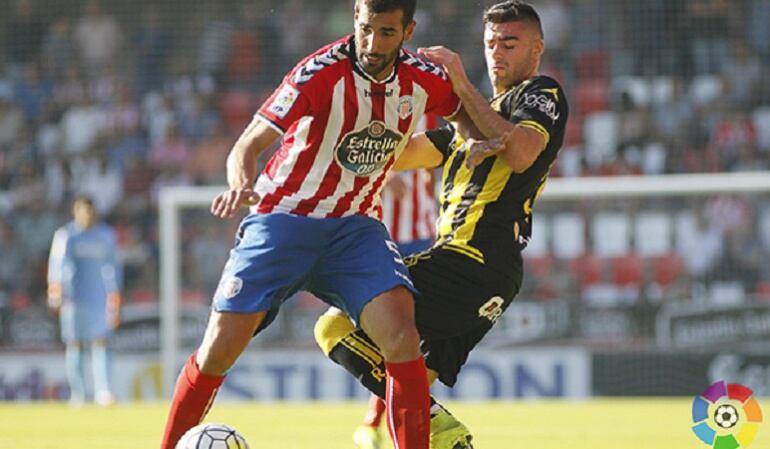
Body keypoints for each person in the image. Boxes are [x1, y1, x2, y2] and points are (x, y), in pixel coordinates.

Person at [159, 1, 462, 448]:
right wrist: (242, 183)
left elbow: (469, 121)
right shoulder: (318, 73)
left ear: (408, 31)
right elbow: (247, 144)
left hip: (355, 227)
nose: (372, 43)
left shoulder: (424, 78)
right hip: (283, 221)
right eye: (365, 29)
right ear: (354, 18)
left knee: (401, 336)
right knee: (218, 350)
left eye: (386, 32)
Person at [313, 2, 569, 449]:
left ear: (537, 48)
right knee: (405, 398)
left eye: (510, 43)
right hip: (483, 275)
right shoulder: (472, 123)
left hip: (472, 260)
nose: (497, 54)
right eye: (490, 44)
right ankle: (443, 437)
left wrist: (459, 83)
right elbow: (404, 152)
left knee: (335, 328)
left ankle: (445, 430)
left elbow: (522, 151)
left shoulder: (540, 95)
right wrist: (336, 130)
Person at [47, 195, 122, 406]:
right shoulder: (67, 236)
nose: (88, 215)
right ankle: (78, 393)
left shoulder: (106, 235)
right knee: (75, 344)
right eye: (83, 210)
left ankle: (103, 391)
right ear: (76, 211)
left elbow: (113, 268)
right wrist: (55, 292)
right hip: (73, 299)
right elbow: (57, 267)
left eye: (90, 211)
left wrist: (115, 297)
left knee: (101, 342)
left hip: (99, 299)